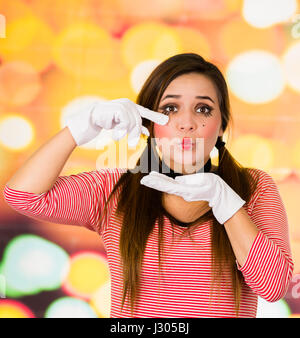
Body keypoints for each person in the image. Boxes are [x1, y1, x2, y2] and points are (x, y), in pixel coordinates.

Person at [3, 53, 294, 318]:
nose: (186, 123)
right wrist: (82, 127)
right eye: (169, 108)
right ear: (148, 124)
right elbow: (22, 196)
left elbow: (273, 286)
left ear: (221, 126)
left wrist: (225, 202)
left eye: (203, 109)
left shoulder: (253, 188)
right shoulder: (114, 190)